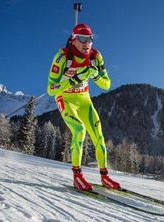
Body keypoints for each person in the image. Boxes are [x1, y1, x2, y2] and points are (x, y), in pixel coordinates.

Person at [47, 23, 120, 191]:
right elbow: (50, 89)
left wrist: (94, 75)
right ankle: (77, 176)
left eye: (90, 39)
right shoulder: (62, 57)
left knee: (98, 136)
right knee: (79, 130)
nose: (87, 43)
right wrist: (71, 81)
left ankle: (104, 176)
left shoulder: (96, 56)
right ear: (73, 40)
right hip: (66, 99)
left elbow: (106, 84)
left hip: (84, 101)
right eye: (82, 39)